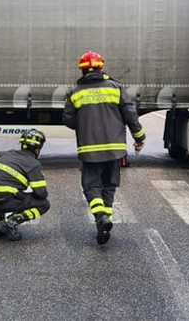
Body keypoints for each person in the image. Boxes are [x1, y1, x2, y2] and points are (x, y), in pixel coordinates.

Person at [63, 51, 145, 244]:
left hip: (89, 150)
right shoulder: (116, 88)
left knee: (91, 185)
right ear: (101, 67)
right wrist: (139, 137)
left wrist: (84, 124)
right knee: (109, 186)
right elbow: (130, 115)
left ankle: (100, 217)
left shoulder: (75, 92)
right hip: (115, 149)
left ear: (82, 70)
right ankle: (105, 224)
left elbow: (68, 120)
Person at [0, 129, 50, 241]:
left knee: (4, 189)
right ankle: (10, 223)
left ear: (22, 145)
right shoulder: (34, 164)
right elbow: (41, 193)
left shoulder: (7, 154)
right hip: (4, 201)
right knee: (44, 204)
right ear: (37, 150)